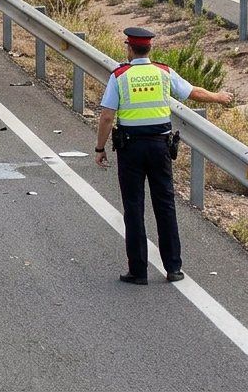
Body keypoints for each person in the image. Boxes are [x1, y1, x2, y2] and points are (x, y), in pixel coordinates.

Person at [95, 27, 234, 284]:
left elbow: (106, 116)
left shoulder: (120, 76)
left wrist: (100, 148)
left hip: (131, 149)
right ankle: (173, 268)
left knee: (134, 208)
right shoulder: (163, 72)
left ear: (129, 48)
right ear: (149, 48)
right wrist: (218, 97)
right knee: (165, 205)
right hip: (160, 147)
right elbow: (192, 92)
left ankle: (138, 271)